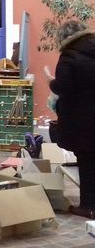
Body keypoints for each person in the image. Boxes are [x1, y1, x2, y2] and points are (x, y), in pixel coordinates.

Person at [48, 20, 95, 219]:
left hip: (82, 120)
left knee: (86, 162)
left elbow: (63, 87)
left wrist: (50, 81)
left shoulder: (69, 57)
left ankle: (88, 206)